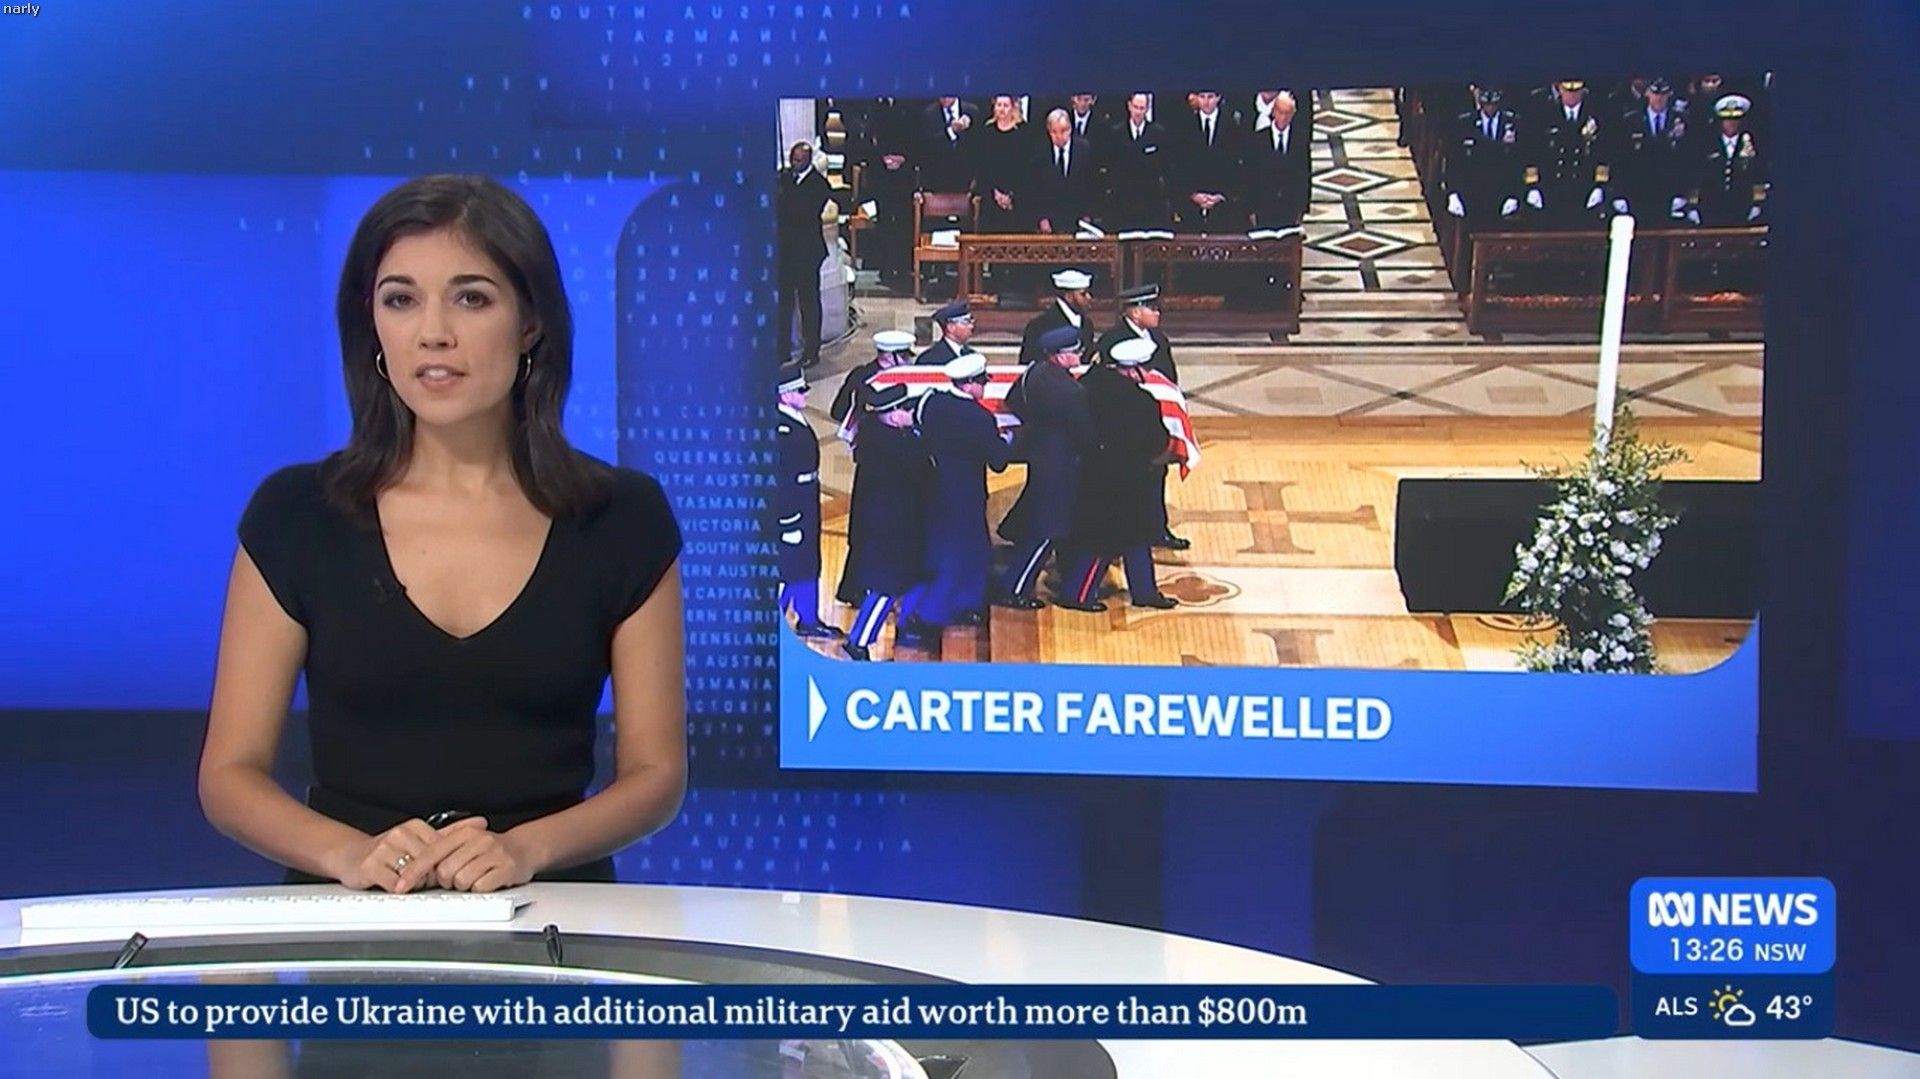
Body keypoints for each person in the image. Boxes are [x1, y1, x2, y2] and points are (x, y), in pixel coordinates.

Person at [200, 174, 686, 892]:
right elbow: (229, 775)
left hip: (552, 918)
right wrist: (347, 854)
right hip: (350, 920)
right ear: (372, 325)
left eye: (471, 298)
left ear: (531, 322)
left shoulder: (622, 517)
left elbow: (656, 775)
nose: (434, 333)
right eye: (401, 300)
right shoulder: (296, 514)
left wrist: (524, 850)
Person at [1058, 337, 1180, 612]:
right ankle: (1077, 594)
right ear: (1132, 369)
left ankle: (1145, 591)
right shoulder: (1141, 402)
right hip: (1126, 479)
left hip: (1093, 471)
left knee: (1134, 537)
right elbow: (1156, 442)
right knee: (1106, 541)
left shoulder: (1089, 384)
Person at [911, 352, 1013, 633]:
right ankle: (931, 614)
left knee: (952, 548)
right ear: (968, 384)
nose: (985, 386)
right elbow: (998, 461)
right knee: (965, 552)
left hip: (935, 485)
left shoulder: (932, 402)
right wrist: (1006, 439)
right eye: (982, 382)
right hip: (965, 493)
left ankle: (966, 604)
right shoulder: (979, 418)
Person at [994, 325, 1095, 610]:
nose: (1079, 355)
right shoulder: (1072, 391)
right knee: (1048, 530)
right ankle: (1014, 588)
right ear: (1059, 356)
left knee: (1042, 521)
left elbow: (1013, 401)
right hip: (1061, 464)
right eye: (1075, 352)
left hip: (1039, 455)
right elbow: (1084, 433)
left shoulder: (1033, 373)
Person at [842, 381, 933, 660]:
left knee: (915, 578)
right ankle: (857, 643)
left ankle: (906, 624)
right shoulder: (898, 447)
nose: (911, 413)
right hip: (892, 528)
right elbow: (924, 471)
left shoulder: (876, 436)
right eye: (907, 409)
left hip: (896, 524)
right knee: (885, 588)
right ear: (894, 415)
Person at [1094, 284, 1187, 549]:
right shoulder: (1112, 340)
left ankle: (1157, 529)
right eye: (1152, 308)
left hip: (1153, 422)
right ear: (1135, 313)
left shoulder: (1159, 339)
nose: (1158, 313)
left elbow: (1170, 378)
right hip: (1124, 426)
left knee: (1156, 476)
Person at [831, 330, 917, 605]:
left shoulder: (862, 375)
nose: (909, 361)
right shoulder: (872, 379)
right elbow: (840, 411)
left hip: (879, 462)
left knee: (871, 525)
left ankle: (862, 587)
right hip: (883, 464)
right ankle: (867, 588)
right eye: (904, 356)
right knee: (876, 526)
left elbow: (837, 410)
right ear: (890, 357)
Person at [775, 362, 842, 641]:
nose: (806, 394)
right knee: (789, 567)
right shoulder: (780, 430)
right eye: (800, 391)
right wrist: (788, 521)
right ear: (784, 394)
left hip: (806, 500)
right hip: (792, 507)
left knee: (806, 564)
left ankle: (808, 618)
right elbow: (780, 481)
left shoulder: (793, 419)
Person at [1523, 80, 1612, 228]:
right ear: (1560, 90)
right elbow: (1533, 152)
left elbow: (1604, 152)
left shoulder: (1595, 115)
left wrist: (1600, 185)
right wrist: (1533, 186)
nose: (1572, 96)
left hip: (1584, 186)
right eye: (1567, 91)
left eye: (1576, 92)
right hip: (1551, 187)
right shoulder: (1545, 115)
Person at [776, 140, 834, 367]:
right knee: (784, 303)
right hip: (786, 251)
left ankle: (811, 350)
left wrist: (785, 196)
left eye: (798, 160)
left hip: (807, 252)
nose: (794, 163)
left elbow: (802, 212)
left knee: (808, 303)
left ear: (808, 161)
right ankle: (782, 349)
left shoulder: (818, 185)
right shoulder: (784, 179)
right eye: (792, 159)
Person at [1441, 87, 1526, 228]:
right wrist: (1452, 193)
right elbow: (1454, 160)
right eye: (1487, 104)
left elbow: (1520, 161)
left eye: (1493, 104)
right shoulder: (1465, 123)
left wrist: (1517, 194)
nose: (1490, 108)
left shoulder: (1513, 122)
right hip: (1471, 192)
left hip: (1503, 192)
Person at [1611, 77, 1693, 221]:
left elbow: (1689, 159)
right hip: (1637, 191)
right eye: (1655, 94)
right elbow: (1621, 159)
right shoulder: (1631, 120)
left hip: (1670, 192)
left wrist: (1685, 194)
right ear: (1647, 93)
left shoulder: (1682, 121)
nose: (1659, 98)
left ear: (1669, 95)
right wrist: (1618, 193)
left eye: (1663, 94)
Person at [1688, 94, 1768, 226]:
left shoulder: (1750, 143)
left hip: (1742, 208)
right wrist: (1693, 205)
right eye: (1727, 119)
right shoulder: (1708, 143)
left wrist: (1757, 204)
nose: (1731, 123)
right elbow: (1698, 174)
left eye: (1735, 119)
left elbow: (1758, 175)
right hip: (1711, 208)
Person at [1174, 90, 1242, 231]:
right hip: (1191, 206)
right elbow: (1180, 165)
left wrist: (1221, 195)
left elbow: (1236, 166)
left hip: (1223, 207)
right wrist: (1192, 194)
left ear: (1218, 98)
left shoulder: (1232, 126)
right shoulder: (1184, 125)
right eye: (1202, 97)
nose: (1206, 102)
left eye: (1210, 97)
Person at [1105, 93, 1172, 233]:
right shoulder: (1116, 133)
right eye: (1136, 107)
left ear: (1147, 109)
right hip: (1123, 201)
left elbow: (1164, 167)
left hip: (1150, 201)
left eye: (1142, 108)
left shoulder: (1158, 133)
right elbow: (1111, 166)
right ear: (1129, 106)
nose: (1138, 112)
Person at [1245, 91, 1312, 230]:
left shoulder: (1299, 140)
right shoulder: (1258, 139)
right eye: (1280, 112)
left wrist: (1302, 209)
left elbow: (1304, 175)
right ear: (1273, 111)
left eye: (1287, 113)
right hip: (1264, 208)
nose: (1283, 117)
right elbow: (1251, 176)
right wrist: (1250, 209)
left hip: (1290, 208)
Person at [1033, 108, 1099, 234]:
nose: (1059, 136)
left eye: (1063, 131)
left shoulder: (1083, 149)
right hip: (1050, 221)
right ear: (1049, 132)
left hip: (1078, 218)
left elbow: (1091, 184)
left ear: (1070, 129)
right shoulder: (1041, 152)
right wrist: (1042, 218)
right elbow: (1036, 188)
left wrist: (1087, 215)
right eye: (1054, 132)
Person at [1018, 268, 1096, 366]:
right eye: (1083, 294)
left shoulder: (1087, 324)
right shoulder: (1039, 325)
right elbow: (1027, 363)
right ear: (1069, 296)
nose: (1089, 298)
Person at [919, 95, 979, 192]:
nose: (944, 97)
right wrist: (951, 131)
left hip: (967, 179)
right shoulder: (929, 113)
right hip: (937, 180)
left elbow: (978, 147)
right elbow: (927, 146)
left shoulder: (972, 111)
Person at [914, 299, 977, 367]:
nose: (971, 326)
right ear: (951, 327)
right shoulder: (929, 359)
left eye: (971, 321)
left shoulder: (972, 355)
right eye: (966, 322)